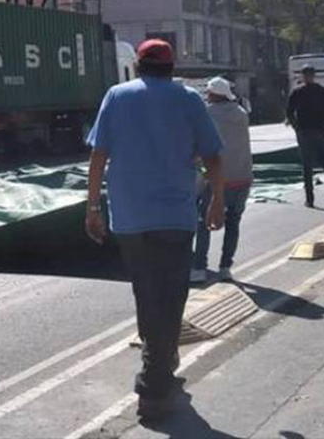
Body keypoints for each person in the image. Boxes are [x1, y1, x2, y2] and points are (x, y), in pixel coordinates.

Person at [85, 39, 225, 421]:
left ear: (140, 65)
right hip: (176, 217)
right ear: (170, 66)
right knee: (171, 295)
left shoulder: (116, 96)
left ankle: (160, 364)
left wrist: (93, 207)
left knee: (147, 293)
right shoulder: (189, 100)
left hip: (130, 217)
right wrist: (217, 200)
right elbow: (212, 155)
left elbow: (98, 154)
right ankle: (154, 381)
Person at [192, 77, 252, 284]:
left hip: (218, 180)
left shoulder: (207, 114)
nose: (206, 95)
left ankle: (199, 267)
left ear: (213, 94)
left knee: (204, 222)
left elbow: (202, 147)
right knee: (233, 222)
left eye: (208, 92)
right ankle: (225, 267)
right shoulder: (242, 114)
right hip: (243, 177)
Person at [286, 65, 324, 208]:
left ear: (303, 76)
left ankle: (310, 199)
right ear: (314, 75)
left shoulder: (297, 92)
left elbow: (289, 113)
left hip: (305, 133)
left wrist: (296, 127)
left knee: (307, 166)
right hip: (322, 131)